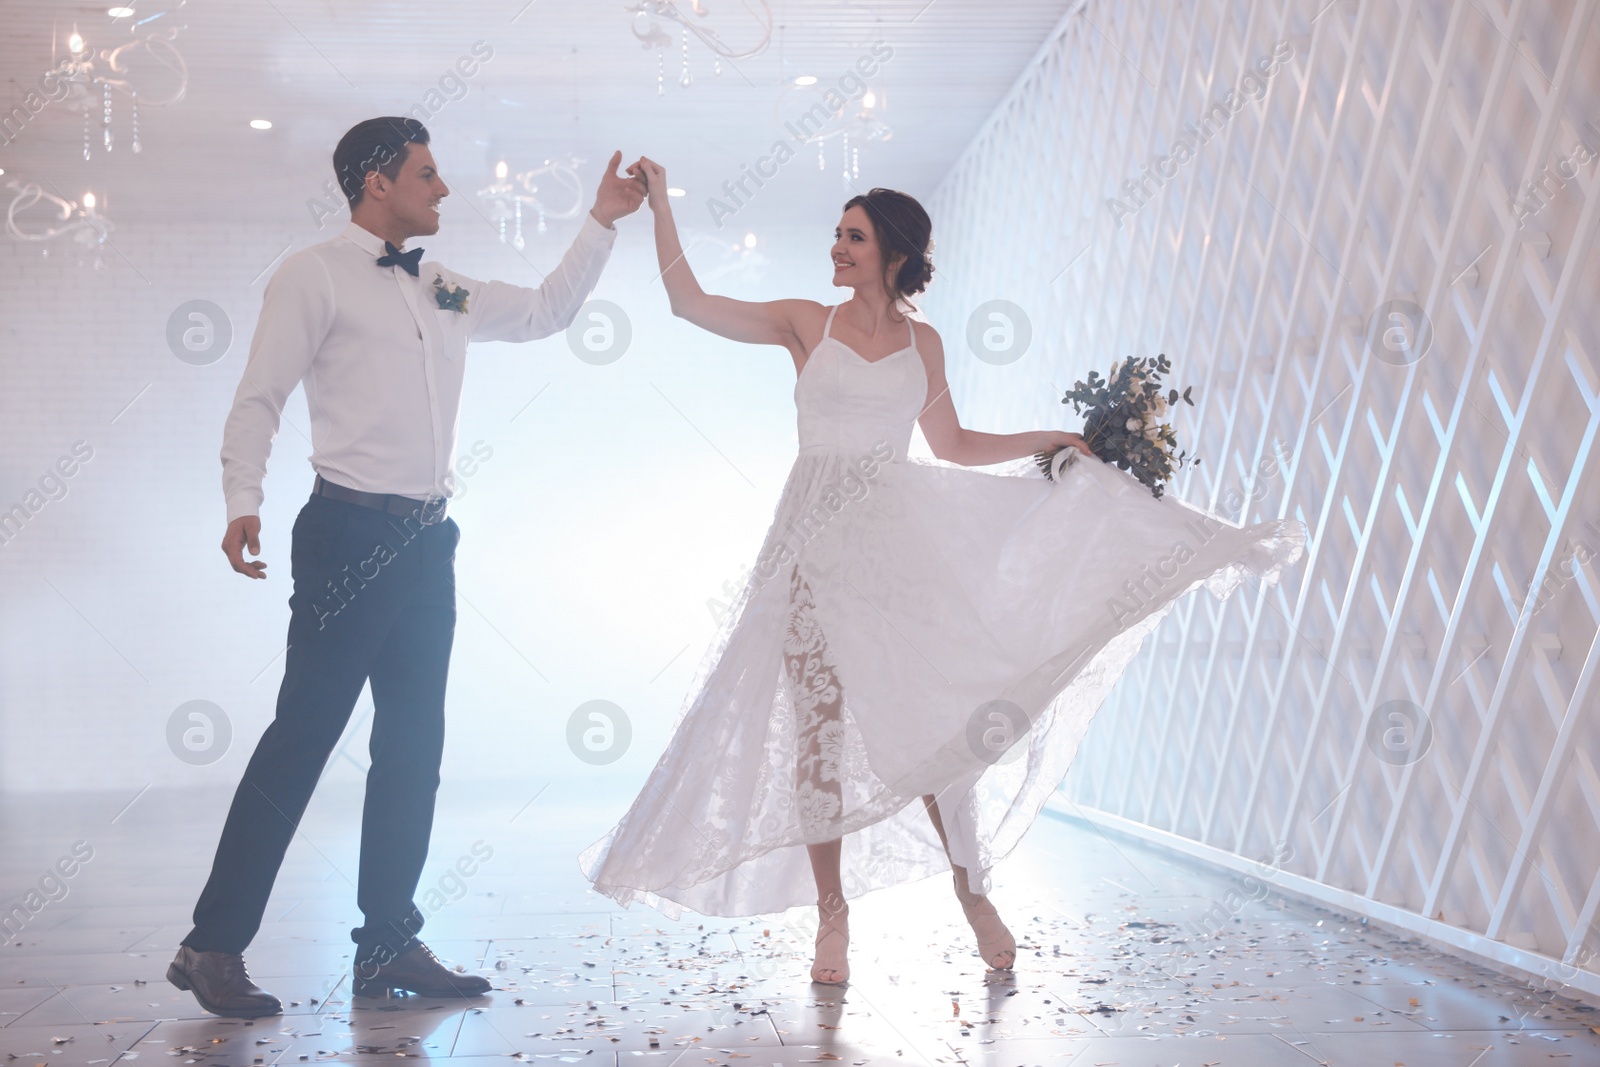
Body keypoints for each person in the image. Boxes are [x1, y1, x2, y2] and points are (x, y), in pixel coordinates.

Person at [579, 159, 1306, 985]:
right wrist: (663, 203)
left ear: (893, 252)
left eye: (852, 236)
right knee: (817, 734)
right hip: (810, 547)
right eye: (837, 234)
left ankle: (974, 895)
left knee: (927, 731)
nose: (837, 247)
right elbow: (688, 301)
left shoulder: (924, 342)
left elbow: (953, 445)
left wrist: (1050, 440)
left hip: (891, 547)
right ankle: (833, 917)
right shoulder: (803, 323)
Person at [167, 117, 645, 1018]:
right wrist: (242, 500)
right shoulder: (312, 274)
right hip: (346, 533)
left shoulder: (444, 290)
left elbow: (544, 311)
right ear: (377, 182)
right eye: (428, 173)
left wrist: (603, 221)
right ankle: (212, 944)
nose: (444, 189)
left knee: (413, 748)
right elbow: (258, 397)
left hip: (430, 543)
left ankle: (387, 938)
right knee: (301, 741)